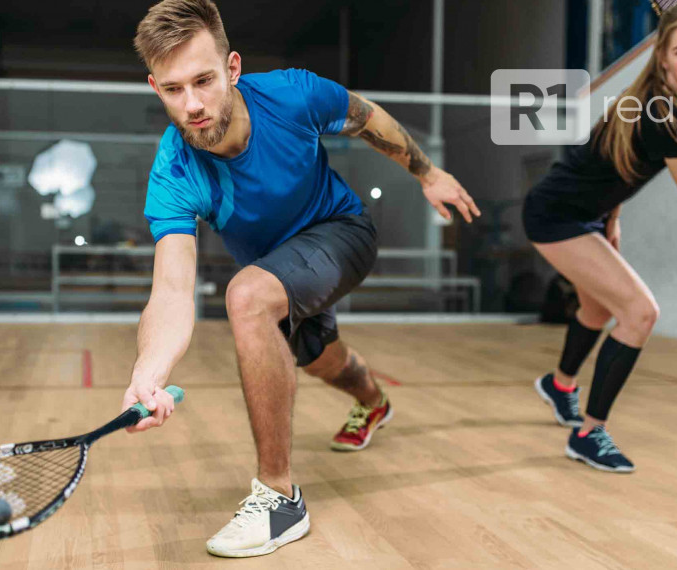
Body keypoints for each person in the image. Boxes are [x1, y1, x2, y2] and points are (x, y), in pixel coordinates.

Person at [123, 0, 479, 558]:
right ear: (154, 87)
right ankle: (374, 403)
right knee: (317, 356)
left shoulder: (292, 95)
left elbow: (368, 119)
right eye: (172, 89)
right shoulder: (175, 170)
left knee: (245, 298)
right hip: (281, 268)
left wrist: (427, 173)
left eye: (204, 81)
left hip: (341, 232)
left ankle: (279, 497)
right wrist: (149, 370)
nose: (192, 105)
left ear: (233, 68)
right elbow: (170, 290)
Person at [525, 0, 677, 473]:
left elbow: (616, 164)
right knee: (640, 312)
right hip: (555, 217)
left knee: (598, 308)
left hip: (588, 214)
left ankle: (560, 385)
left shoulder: (659, 95)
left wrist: (611, 218)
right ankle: (589, 434)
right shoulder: (663, 113)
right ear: (663, 57)